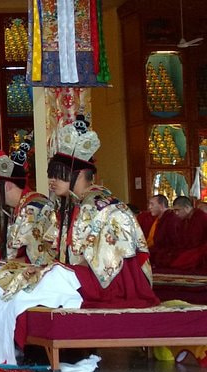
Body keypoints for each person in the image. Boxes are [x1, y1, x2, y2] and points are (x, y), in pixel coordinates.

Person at [48, 115, 158, 308]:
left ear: (80, 174)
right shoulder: (74, 204)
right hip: (81, 276)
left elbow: (104, 265)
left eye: (59, 175)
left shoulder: (105, 207)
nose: (52, 181)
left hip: (108, 284)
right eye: (52, 175)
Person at [164, 196, 207, 272]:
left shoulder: (201, 217)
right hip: (189, 248)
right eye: (174, 211)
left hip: (201, 248)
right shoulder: (184, 220)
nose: (176, 213)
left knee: (180, 261)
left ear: (187, 208)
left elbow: (197, 240)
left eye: (178, 210)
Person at [141, 194, 183, 269]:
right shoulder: (160, 219)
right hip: (160, 251)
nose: (149, 207)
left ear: (161, 205)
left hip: (169, 253)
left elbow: (176, 242)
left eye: (152, 204)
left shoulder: (172, 219)